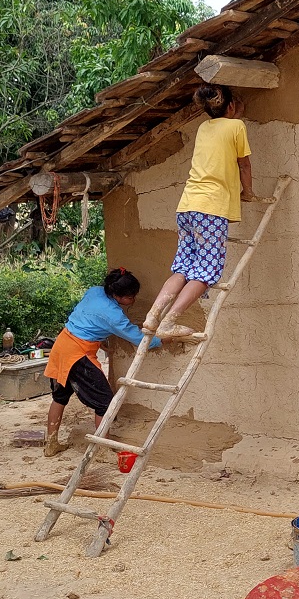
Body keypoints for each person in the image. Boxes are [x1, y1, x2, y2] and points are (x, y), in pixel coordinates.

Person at [144, 85, 255, 339]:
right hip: (211, 209)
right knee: (206, 271)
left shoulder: (204, 128)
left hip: (187, 207)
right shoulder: (237, 126)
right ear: (230, 107)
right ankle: (169, 322)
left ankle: (153, 317)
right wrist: (247, 192)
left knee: (183, 268)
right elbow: (244, 164)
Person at [43, 268, 164, 457]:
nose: (133, 300)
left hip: (62, 344)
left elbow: (86, 317)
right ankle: (102, 450)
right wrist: (163, 340)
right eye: (131, 297)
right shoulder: (114, 316)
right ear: (117, 295)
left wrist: (98, 342)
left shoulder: (95, 291)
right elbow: (140, 339)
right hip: (77, 354)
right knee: (105, 403)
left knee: (59, 397)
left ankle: (51, 443)